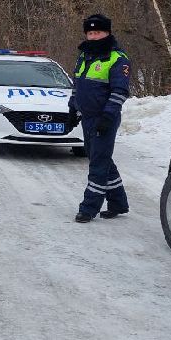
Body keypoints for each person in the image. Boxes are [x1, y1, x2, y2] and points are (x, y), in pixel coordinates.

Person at [71, 13, 131, 222]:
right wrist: (73, 106)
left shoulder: (117, 58)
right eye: (91, 32)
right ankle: (118, 203)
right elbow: (77, 84)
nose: (94, 36)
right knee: (101, 158)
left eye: (98, 32)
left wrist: (107, 116)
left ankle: (88, 208)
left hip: (105, 117)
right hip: (87, 117)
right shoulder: (84, 56)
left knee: (98, 162)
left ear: (107, 33)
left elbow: (120, 91)